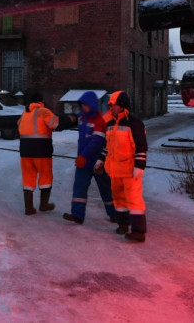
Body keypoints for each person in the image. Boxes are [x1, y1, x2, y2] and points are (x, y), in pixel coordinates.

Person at [95, 91, 148, 242]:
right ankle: (123, 225)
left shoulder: (134, 123)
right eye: (110, 105)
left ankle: (139, 231)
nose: (111, 108)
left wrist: (139, 166)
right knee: (118, 199)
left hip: (130, 170)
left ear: (123, 105)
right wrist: (100, 160)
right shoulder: (110, 124)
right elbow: (107, 146)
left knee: (134, 199)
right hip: (114, 171)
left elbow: (141, 146)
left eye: (114, 105)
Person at [62, 91, 116, 225]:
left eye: (85, 105)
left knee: (106, 188)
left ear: (91, 105)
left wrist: (83, 156)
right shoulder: (82, 117)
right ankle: (77, 215)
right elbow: (74, 117)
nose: (83, 108)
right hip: (83, 160)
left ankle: (114, 214)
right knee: (79, 186)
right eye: (82, 105)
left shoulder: (99, 121)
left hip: (97, 161)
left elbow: (96, 141)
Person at [18, 92, 75, 215]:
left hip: (25, 151)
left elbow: (18, 125)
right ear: (40, 101)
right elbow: (57, 125)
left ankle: (29, 208)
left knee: (28, 178)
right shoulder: (43, 111)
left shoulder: (24, 113)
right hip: (42, 150)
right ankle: (44, 205)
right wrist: (70, 119)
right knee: (45, 177)